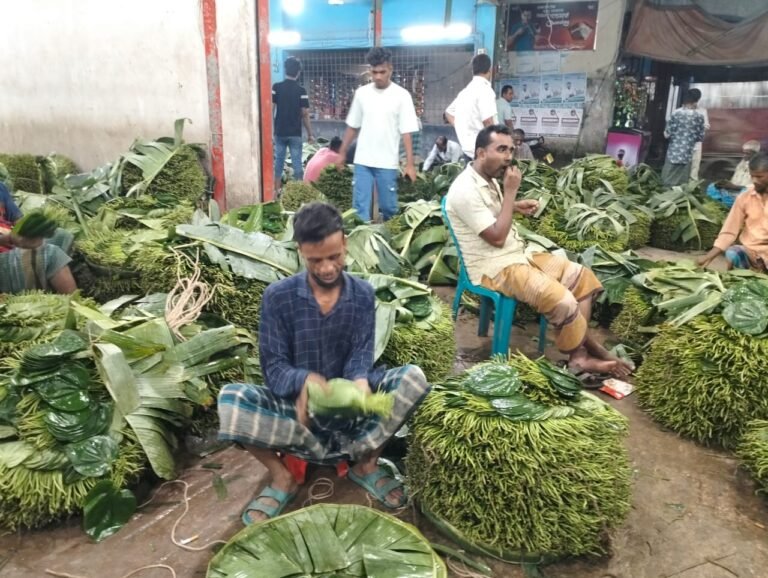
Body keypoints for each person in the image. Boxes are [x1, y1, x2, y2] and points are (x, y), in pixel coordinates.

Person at [217, 202, 430, 524]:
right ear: (301, 251)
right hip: (300, 416)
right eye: (316, 260)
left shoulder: (362, 295)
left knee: (412, 378)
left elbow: (361, 355)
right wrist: (303, 381)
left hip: (351, 416)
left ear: (344, 242)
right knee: (231, 399)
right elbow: (273, 367)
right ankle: (282, 477)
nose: (328, 268)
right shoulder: (278, 297)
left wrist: (358, 382)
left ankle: (366, 462)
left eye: (335, 256)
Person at [445, 125, 633, 379]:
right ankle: (590, 353)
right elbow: (497, 238)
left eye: (511, 149)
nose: (509, 156)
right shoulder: (465, 190)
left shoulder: (488, 178)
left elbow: (494, 213)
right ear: (480, 152)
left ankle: (579, 356)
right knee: (564, 301)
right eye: (501, 149)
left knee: (582, 277)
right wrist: (511, 191)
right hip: (495, 268)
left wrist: (515, 205)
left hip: (519, 255)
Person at [336, 47, 419, 222]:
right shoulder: (361, 94)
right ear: (369, 70)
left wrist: (410, 164)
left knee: (389, 208)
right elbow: (353, 126)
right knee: (360, 209)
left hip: (387, 162)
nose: (378, 76)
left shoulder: (402, 96)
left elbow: (406, 132)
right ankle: (363, 243)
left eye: (382, 72)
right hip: (363, 161)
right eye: (374, 72)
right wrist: (342, 153)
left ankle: (391, 242)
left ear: (391, 68)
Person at [0, 182, 76, 294]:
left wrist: (27, 230)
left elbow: (18, 219)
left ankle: (44, 288)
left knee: (61, 235)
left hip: (10, 243)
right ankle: (75, 304)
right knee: (52, 254)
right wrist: (6, 239)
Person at [698, 153, 768, 272]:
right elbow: (729, 230)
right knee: (733, 253)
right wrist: (708, 256)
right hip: (751, 253)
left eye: (759, 177)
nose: (755, 180)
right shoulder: (745, 197)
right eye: (752, 176)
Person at [445, 53, 498, 162]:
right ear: (490, 69)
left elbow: (448, 113)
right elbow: (488, 121)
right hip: (484, 153)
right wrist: (498, 146)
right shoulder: (485, 90)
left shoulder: (464, 93)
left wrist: (462, 127)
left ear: (472, 71)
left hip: (468, 151)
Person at [273, 57, 314, 190]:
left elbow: (271, 109)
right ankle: (298, 193)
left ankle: (275, 193)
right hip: (295, 133)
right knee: (297, 165)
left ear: (285, 70)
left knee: (278, 163)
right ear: (298, 72)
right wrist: (310, 134)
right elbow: (305, 113)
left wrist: (270, 130)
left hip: (279, 132)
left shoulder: (276, 87)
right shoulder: (301, 91)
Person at [661, 88, 705, 187]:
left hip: (673, 153)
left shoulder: (676, 113)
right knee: (681, 183)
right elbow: (700, 137)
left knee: (667, 180)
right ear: (697, 100)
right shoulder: (699, 117)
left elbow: (667, 133)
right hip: (687, 155)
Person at [705, 140, 761, 208]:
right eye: (744, 153)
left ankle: (734, 207)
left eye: (748, 153)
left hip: (746, 193)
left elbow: (757, 187)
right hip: (734, 191)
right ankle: (723, 205)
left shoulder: (760, 167)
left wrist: (736, 187)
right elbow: (734, 181)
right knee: (712, 186)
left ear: (755, 154)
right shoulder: (742, 164)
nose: (744, 156)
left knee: (745, 192)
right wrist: (726, 184)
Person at [690, 100, 710, 181]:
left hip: (696, 142)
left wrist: (698, 127)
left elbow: (707, 126)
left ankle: (692, 185)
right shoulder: (682, 111)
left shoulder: (702, 111)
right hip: (684, 143)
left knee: (695, 165)